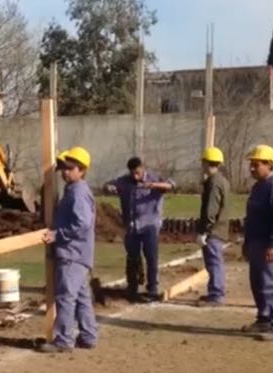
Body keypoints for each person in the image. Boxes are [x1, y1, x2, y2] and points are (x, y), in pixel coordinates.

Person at [40, 146, 97, 353]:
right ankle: (88, 335)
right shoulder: (74, 190)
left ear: (81, 170)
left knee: (65, 296)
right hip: (78, 253)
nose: (65, 172)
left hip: (72, 253)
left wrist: (57, 235)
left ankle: (64, 340)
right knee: (81, 297)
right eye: (64, 168)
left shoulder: (78, 192)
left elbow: (82, 223)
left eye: (70, 168)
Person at [103, 157, 176, 302]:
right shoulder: (125, 181)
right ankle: (133, 286)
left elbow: (171, 185)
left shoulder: (154, 178)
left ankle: (152, 288)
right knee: (132, 256)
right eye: (132, 173)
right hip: (131, 225)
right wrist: (109, 188)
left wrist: (154, 185)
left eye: (137, 173)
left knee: (151, 256)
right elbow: (107, 186)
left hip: (150, 224)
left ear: (142, 168)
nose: (135, 176)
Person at [242, 144, 273, 341]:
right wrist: (247, 243)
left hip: (267, 244)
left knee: (271, 284)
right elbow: (251, 218)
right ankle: (264, 319)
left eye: (256, 164)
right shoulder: (257, 187)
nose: (252, 168)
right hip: (255, 242)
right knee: (258, 283)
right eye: (251, 164)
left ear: (269, 165)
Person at [197, 147, 230, 306]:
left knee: (213, 262)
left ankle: (216, 294)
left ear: (205, 162)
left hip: (213, 231)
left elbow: (211, 209)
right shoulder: (222, 180)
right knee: (214, 262)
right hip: (220, 228)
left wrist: (204, 231)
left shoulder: (214, 182)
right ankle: (214, 291)